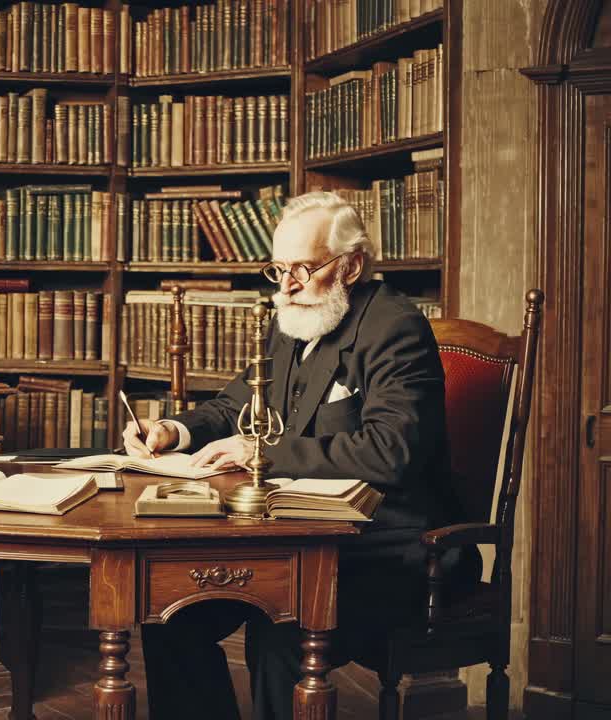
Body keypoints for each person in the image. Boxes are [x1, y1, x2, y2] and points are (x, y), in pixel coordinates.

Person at [122, 191, 480, 720]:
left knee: (280, 638)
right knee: (171, 622)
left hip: (388, 551)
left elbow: (390, 452)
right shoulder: (295, 316)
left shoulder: (395, 328)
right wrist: (173, 430)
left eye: (304, 269)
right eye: (278, 269)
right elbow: (235, 403)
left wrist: (262, 448)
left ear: (352, 265)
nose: (286, 286)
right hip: (292, 542)